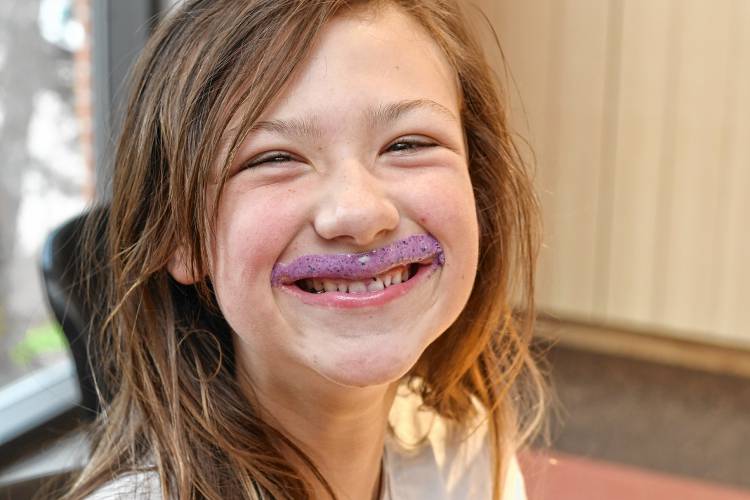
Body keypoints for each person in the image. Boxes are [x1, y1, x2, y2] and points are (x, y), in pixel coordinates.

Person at [59, 0, 546, 498]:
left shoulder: (464, 453)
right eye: (274, 158)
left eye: (407, 145)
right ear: (180, 237)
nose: (358, 213)